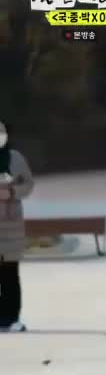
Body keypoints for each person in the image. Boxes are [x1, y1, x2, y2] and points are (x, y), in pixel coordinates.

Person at [0, 121, 34, 333]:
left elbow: (28, 184)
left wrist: (12, 193)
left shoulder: (15, 158)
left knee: (9, 274)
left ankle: (12, 317)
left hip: (10, 227)